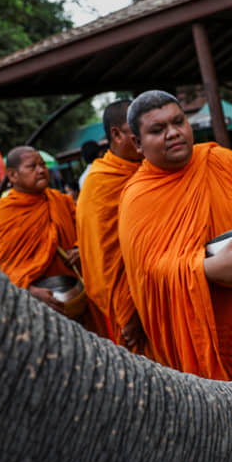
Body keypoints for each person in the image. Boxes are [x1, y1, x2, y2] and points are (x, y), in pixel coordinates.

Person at [118, 90, 232, 381]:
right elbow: (148, 271)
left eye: (178, 122)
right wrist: (207, 269)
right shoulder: (137, 198)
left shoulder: (220, 160)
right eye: (158, 129)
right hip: (210, 328)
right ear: (138, 144)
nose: (173, 133)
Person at [0, 146, 108, 337]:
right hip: (37, 309)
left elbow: (88, 233)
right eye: (32, 167)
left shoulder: (61, 201)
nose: (41, 170)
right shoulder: (5, 213)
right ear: (12, 175)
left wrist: (80, 249)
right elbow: (0, 266)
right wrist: (30, 291)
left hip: (77, 298)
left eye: (42, 165)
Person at [76, 99, 149, 353]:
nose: (146, 139)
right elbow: (106, 256)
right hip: (131, 306)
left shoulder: (151, 168)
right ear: (116, 134)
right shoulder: (100, 183)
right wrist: (128, 311)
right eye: (137, 132)